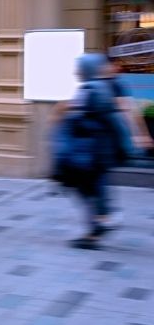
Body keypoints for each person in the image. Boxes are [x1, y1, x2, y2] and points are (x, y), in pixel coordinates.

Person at [60, 53, 128, 250]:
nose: (75, 71)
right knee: (94, 189)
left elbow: (110, 120)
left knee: (89, 188)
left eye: (78, 67)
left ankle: (102, 222)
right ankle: (99, 226)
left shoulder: (93, 89)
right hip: (95, 151)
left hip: (92, 152)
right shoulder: (94, 88)